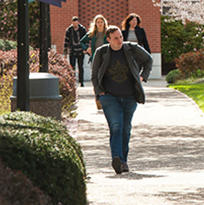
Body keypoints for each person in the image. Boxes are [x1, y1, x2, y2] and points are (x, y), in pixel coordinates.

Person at [91, 26, 153, 174]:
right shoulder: (101, 52)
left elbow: (148, 60)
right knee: (116, 126)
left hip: (130, 97)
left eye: (120, 37)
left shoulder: (131, 48)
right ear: (108, 40)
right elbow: (94, 76)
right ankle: (117, 158)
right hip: (109, 98)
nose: (119, 40)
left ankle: (123, 161)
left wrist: (143, 77)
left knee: (125, 130)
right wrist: (100, 93)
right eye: (116, 38)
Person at [81, 14, 109, 110]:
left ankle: (105, 99)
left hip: (106, 59)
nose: (100, 24)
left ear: (104, 23)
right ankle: (98, 100)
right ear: (95, 24)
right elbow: (81, 41)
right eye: (98, 22)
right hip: (95, 59)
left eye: (101, 22)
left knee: (105, 79)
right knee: (96, 79)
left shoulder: (107, 33)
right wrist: (87, 48)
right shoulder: (92, 33)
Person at [63, 16, 87, 87]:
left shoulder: (82, 29)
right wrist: (65, 52)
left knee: (80, 67)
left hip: (80, 50)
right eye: (74, 24)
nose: (75, 25)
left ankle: (81, 82)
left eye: (76, 24)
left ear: (78, 23)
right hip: (72, 50)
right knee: (72, 66)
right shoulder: (69, 30)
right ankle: (72, 82)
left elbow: (86, 40)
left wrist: (85, 49)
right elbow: (66, 41)